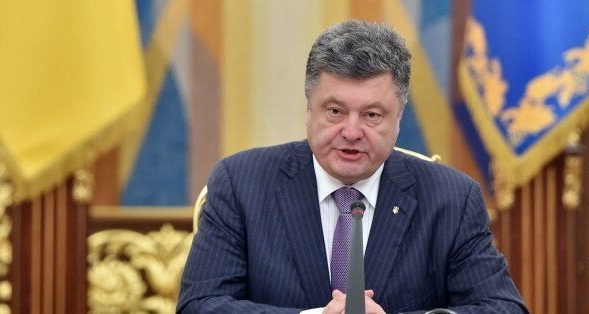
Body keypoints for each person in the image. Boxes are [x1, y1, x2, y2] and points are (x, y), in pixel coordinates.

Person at [176, 19, 527, 313]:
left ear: (399, 118)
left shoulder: (451, 198)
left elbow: (503, 308)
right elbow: (200, 305)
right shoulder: (242, 183)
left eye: (372, 115)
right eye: (335, 111)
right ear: (309, 108)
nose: (352, 131)